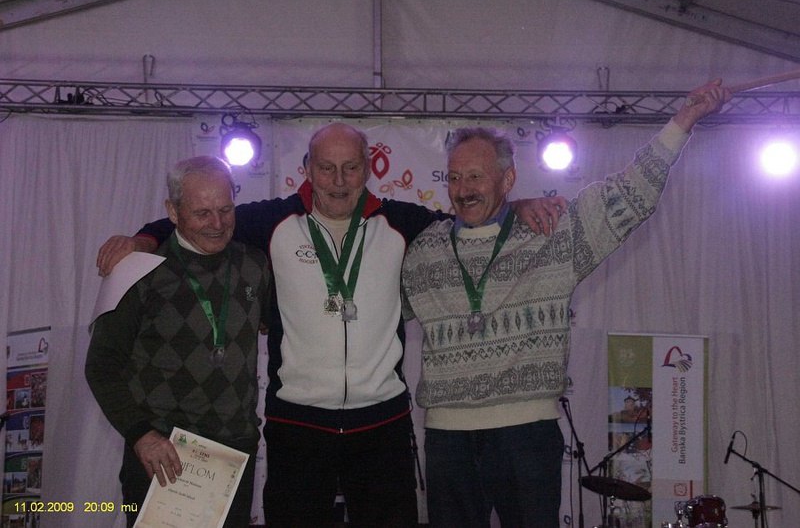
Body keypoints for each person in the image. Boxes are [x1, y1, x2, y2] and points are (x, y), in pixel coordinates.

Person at [95, 122, 565, 527]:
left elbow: (469, 217)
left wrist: (516, 205)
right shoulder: (272, 221)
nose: (338, 181)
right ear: (307, 168)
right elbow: (200, 221)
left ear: (368, 168)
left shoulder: (403, 224)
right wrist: (144, 238)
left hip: (382, 424)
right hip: (297, 425)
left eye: (351, 167)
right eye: (326, 168)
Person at [400, 80, 731, 527]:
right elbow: (374, 306)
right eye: (455, 177)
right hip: (446, 438)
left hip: (527, 434)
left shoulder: (551, 234)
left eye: (475, 176)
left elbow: (629, 195)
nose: (463, 189)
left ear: (507, 179)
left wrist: (684, 120)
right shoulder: (425, 250)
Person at [85, 156, 271, 527]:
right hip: (163, 452)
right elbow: (101, 366)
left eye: (225, 210)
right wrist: (142, 436)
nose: (217, 224)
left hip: (234, 454)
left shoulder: (255, 265)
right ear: (172, 211)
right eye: (202, 213)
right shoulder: (137, 272)